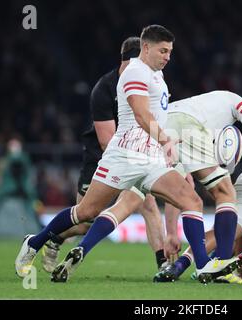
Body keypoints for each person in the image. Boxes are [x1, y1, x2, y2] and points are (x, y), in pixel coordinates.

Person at [16, 25, 237, 284]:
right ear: (145, 48)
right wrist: (166, 140)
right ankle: (35, 241)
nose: (168, 57)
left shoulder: (157, 75)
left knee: (192, 201)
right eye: (163, 51)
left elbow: (156, 116)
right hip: (125, 155)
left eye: (170, 52)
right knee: (86, 212)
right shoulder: (134, 72)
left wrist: (170, 152)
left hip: (152, 158)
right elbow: (142, 116)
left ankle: (202, 266)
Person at [40, 37, 168, 274]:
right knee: (87, 219)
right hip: (102, 158)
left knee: (148, 205)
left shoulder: (149, 81)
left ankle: (163, 264)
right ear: (128, 60)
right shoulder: (105, 88)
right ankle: (54, 238)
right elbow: (106, 139)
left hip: (136, 157)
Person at [153, 90, 242, 283]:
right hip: (187, 124)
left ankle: (191, 265)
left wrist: (172, 233)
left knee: (165, 195)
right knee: (226, 192)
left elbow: (176, 196)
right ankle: (221, 267)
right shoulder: (235, 102)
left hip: (157, 126)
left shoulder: (204, 111)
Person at [0, 138, 42, 236]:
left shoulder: (25, 162)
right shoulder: (3, 163)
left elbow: (30, 179)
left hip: (23, 200)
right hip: (8, 200)